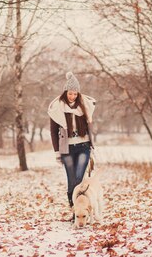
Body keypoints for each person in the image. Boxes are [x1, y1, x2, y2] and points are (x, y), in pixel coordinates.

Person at [48, 71, 96, 216]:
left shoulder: (84, 107)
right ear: (65, 92)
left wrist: (92, 147)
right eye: (70, 93)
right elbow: (53, 132)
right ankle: (74, 210)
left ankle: (80, 210)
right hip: (67, 148)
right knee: (72, 179)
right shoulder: (57, 109)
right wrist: (57, 152)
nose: (73, 96)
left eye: (75, 94)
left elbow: (89, 129)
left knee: (79, 179)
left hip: (83, 146)